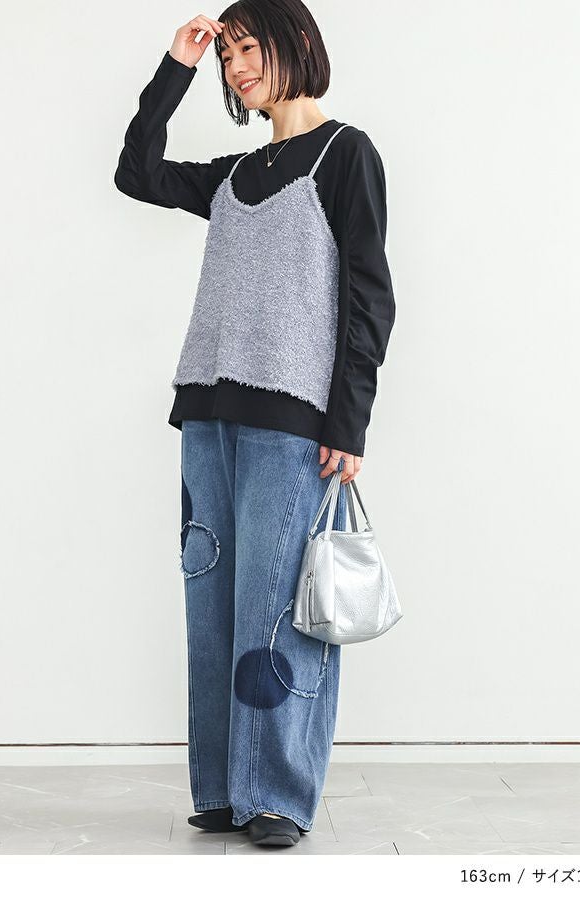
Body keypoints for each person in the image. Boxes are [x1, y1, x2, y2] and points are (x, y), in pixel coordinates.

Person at [114, 0, 395, 848]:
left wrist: (348, 422)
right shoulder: (234, 175)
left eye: (247, 49)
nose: (236, 68)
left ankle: (274, 794)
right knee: (212, 611)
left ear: (296, 43)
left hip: (293, 421)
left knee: (276, 610)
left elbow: (369, 296)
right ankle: (224, 790)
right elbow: (136, 172)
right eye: (227, 56)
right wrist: (177, 66)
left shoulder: (346, 155)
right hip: (207, 414)